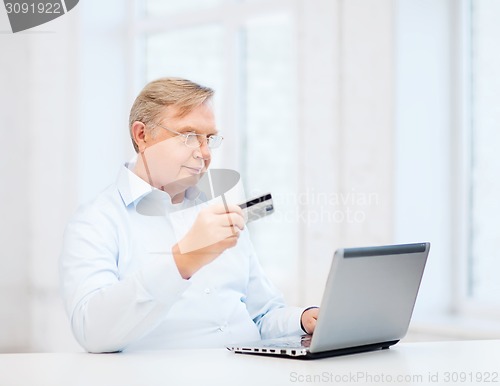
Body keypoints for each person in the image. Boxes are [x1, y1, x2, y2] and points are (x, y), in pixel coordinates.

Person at [59, 77, 319, 353]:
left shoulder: (217, 211)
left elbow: (262, 314)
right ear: (142, 135)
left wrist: (304, 320)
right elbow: (92, 332)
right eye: (188, 136)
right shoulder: (95, 221)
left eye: (209, 139)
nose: (204, 153)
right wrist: (182, 261)